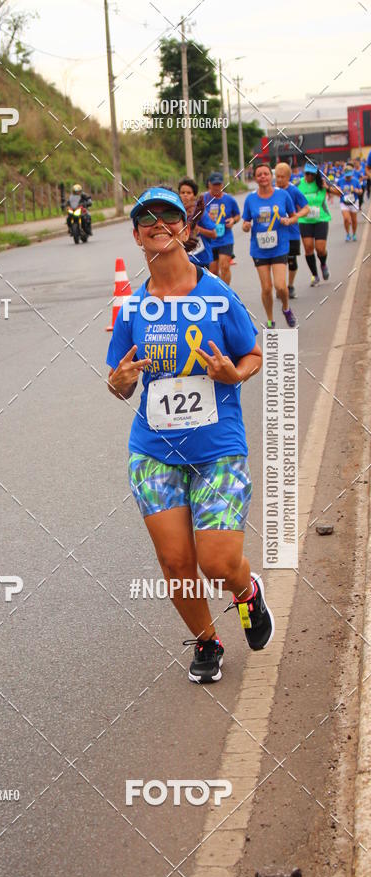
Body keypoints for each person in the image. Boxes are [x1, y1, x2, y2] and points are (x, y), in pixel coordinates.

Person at [106, 185, 273, 685]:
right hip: (154, 450)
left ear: (185, 228)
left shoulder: (217, 295)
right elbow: (117, 378)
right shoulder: (134, 308)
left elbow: (253, 354)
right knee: (176, 561)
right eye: (146, 219)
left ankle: (246, 591)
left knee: (218, 563)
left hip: (218, 447)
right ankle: (206, 642)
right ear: (137, 235)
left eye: (169, 216)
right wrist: (120, 382)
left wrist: (232, 374)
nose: (158, 223)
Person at [242, 161, 298, 328]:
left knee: (280, 286)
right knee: (266, 288)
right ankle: (270, 319)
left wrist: (289, 220)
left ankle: (286, 309)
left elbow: (294, 215)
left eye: (266, 173)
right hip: (259, 249)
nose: (263, 177)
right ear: (255, 178)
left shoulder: (282, 195)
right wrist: (246, 226)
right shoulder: (251, 199)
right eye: (259, 175)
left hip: (280, 245)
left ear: (271, 176)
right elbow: (245, 221)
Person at [298, 161, 340, 286]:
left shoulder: (321, 183)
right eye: (307, 173)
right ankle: (315, 275)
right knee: (308, 248)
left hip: (321, 219)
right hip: (304, 220)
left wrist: (327, 188)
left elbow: (339, 192)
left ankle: (323, 264)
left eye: (311, 174)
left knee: (320, 249)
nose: (308, 176)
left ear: (316, 174)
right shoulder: (299, 184)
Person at [274, 162, 310, 300]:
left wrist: (295, 217)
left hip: (292, 232)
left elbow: (306, 208)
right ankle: (280, 286)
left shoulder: (294, 190)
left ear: (289, 177)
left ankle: (290, 285)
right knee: (278, 261)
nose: (280, 180)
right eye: (277, 176)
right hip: (276, 233)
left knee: (291, 261)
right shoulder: (272, 191)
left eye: (283, 177)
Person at [203, 172, 241, 285]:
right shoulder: (203, 199)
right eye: (214, 185)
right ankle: (218, 290)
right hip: (210, 240)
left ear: (222, 185)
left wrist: (233, 220)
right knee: (213, 271)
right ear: (209, 185)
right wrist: (205, 216)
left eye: (219, 185)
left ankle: (226, 292)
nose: (216, 187)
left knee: (224, 266)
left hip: (226, 239)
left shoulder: (229, 200)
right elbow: (196, 215)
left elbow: (238, 215)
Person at [178, 177, 217, 269]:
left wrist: (198, 229)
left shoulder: (200, 212)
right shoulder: (176, 212)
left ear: (194, 195)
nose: (185, 195)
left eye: (189, 193)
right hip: (184, 259)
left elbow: (214, 234)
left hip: (201, 260)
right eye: (182, 193)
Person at [337, 164, 363, 241]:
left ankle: (354, 234)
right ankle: (348, 234)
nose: (348, 177)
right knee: (346, 219)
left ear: (352, 174)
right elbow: (336, 190)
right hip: (344, 202)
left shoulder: (355, 180)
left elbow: (361, 191)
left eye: (349, 176)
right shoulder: (340, 181)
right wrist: (339, 190)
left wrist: (357, 191)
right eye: (347, 176)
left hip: (354, 202)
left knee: (354, 220)